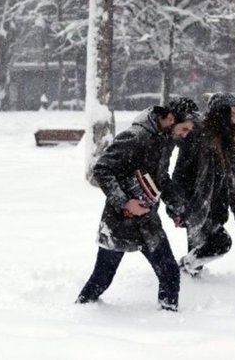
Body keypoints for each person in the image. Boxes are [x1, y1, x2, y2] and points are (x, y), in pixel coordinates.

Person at [76, 97, 200, 311]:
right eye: (184, 128)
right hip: (119, 222)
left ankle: (169, 324)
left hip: (149, 222)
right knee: (102, 278)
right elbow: (102, 170)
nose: (185, 134)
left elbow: (160, 178)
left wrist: (176, 209)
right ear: (170, 118)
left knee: (170, 273)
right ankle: (80, 312)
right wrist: (125, 202)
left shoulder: (166, 139)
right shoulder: (135, 137)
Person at [172, 93, 235, 277]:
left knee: (200, 251)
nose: (233, 120)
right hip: (196, 205)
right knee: (220, 243)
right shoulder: (197, 135)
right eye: (230, 115)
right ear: (219, 113)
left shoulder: (225, 139)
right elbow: (180, 173)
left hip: (215, 206)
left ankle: (187, 276)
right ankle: (183, 271)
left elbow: (232, 178)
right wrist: (177, 208)